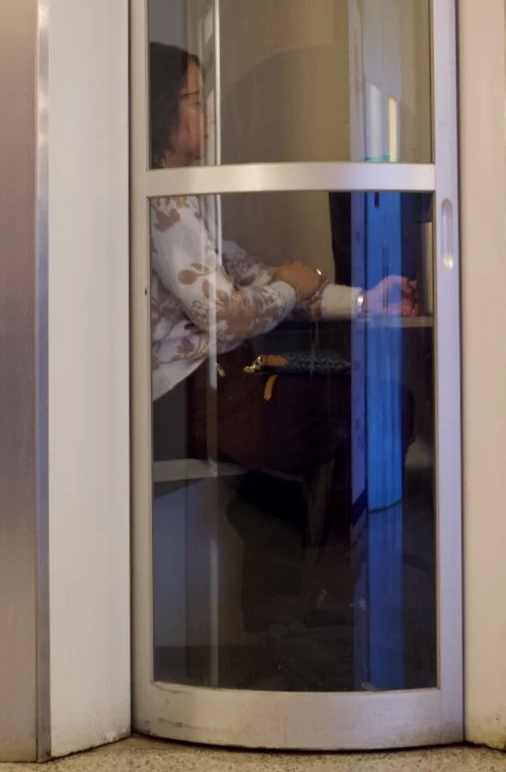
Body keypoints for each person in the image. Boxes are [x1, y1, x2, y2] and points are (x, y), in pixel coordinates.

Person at [147, 41, 416, 690]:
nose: (205, 112)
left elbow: (257, 278)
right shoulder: (158, 206)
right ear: (161, 112)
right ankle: (322, 605)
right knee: (378, 406)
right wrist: (295, 288)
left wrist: (357, 298)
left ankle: (289, 625)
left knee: (303, 448)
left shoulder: (188, 203)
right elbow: (229, 314)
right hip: (180, 397)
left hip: (217, 383)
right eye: (193, 99)